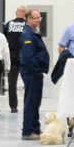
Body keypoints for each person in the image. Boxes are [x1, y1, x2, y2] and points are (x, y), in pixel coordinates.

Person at [18, 9, 49, 139]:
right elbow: (27, 56)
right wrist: (37, 69)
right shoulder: (27, 34)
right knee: (31, 101)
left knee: (35, 101)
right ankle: (28, 131)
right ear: (29, 19)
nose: (39, 20)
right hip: (31, 73)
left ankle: (35, 129)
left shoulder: (33, 32)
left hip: (35, 73)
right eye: (36, 18)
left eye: (40, 18)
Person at [3, 6, 29, 114]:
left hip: (12, 57)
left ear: (16, 12)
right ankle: (27, 105)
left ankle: (13, 106)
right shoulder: (27, 25)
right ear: (25, 13)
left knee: (12, 83)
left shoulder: (9, 24)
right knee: (28, 82)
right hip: (25, 57)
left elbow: (5, 39)